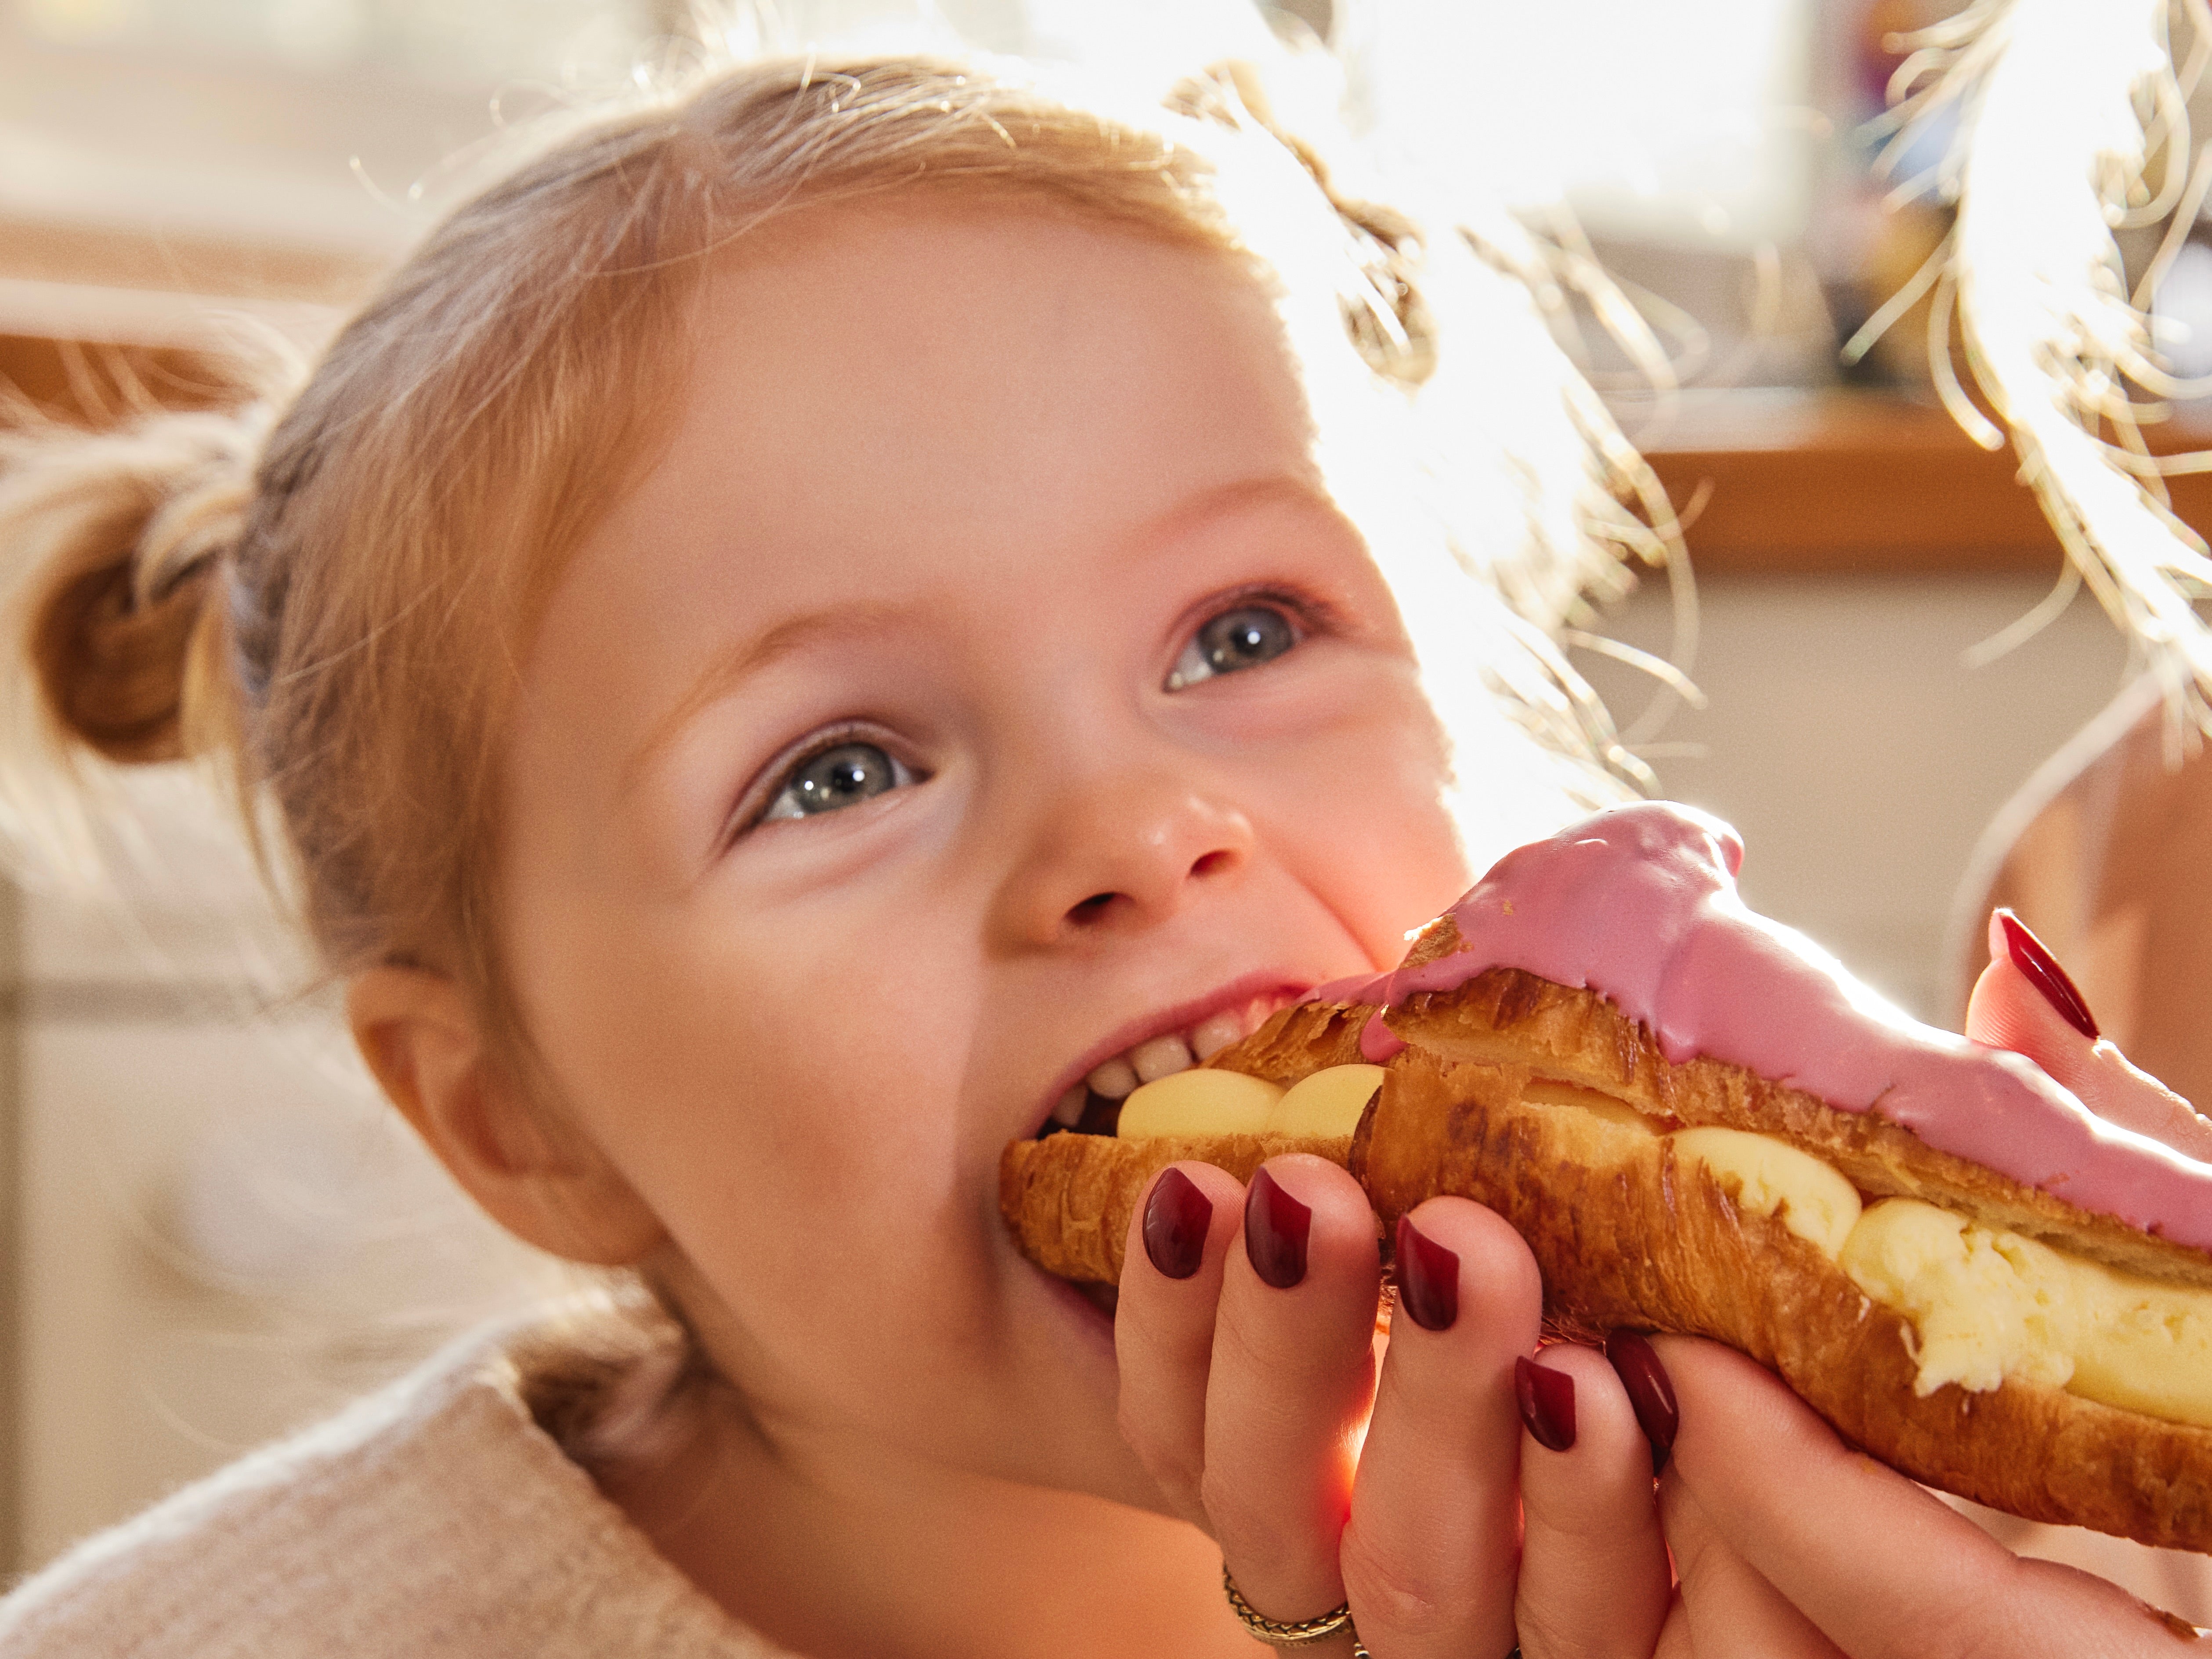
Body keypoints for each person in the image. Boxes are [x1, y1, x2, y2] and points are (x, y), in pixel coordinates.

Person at [0, 45, 2199, 1659]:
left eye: (1243, 634)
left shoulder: (1817, 1553)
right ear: (516, 1123)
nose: (1136, 832)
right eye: (836, 771)